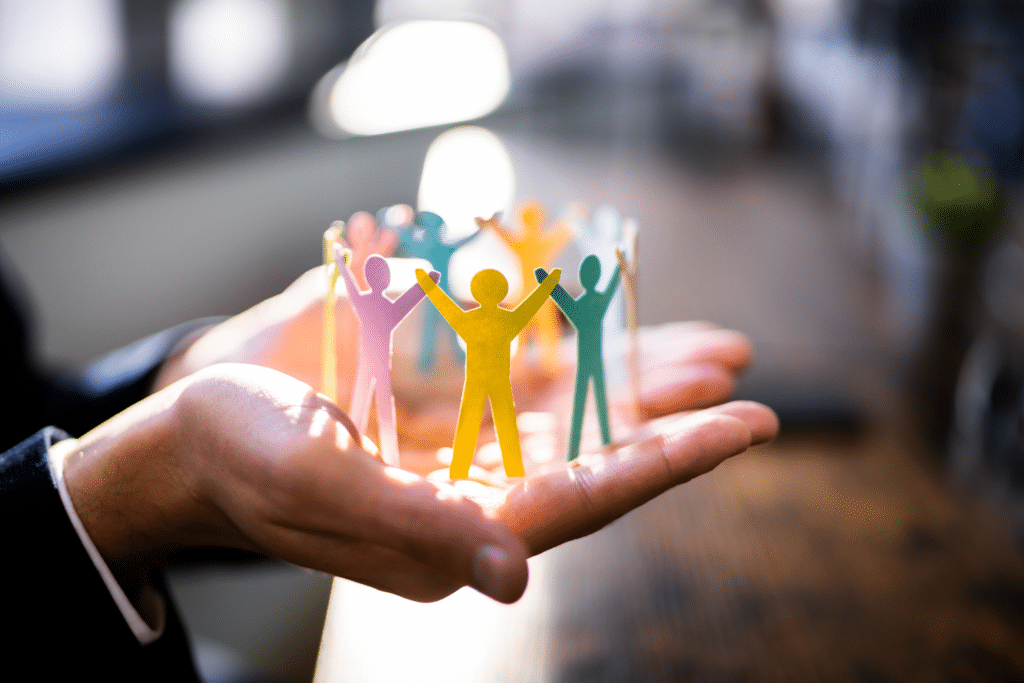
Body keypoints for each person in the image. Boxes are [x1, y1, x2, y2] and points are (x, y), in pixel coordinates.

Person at [1, 255, 778, 680]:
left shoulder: (463, 315)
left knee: (485, 420)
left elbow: (18, 400)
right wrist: (100, 498)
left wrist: (174, 382)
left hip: (451, 386)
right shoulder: (457, 315)